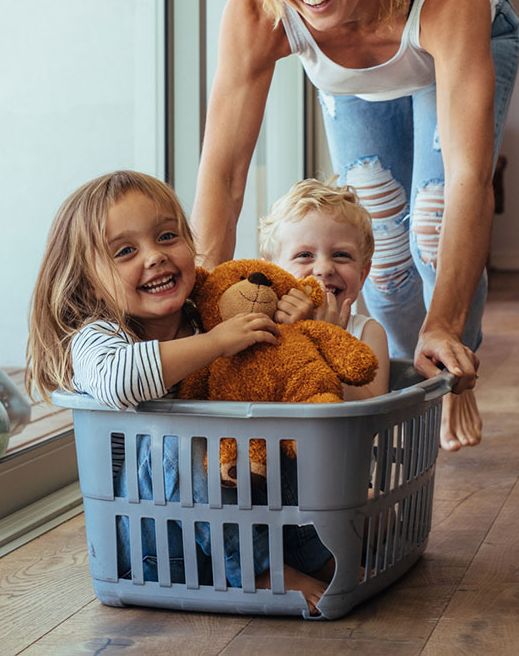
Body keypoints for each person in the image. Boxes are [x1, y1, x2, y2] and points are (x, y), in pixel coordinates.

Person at [191, 0, 519, 451]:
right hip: (360, 82)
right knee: (385, 256)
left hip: (455, 44)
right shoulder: (260, 8)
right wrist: (201, 307)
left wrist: (445, 322)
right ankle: (400, 388)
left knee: (431, 217)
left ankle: (452, 367)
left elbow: (471, 175)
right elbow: (225, 170)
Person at [25, 170, 332, 613]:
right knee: (178, 436)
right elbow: (119, 380)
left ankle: (313, 557)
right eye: (126, 251)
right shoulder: (97, 337)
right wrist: (219, 342)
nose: (155, 257)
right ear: (88, 281)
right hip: (158, 550)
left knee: (276, 434)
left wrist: (291, 324)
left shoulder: (209, 314)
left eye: (167, 236)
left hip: (236, 534)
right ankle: (261, 571)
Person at [257, 178, 390, 401]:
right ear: (272, 273)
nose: (324, 269)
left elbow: (371, 412)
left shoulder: (367, 333)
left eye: (341, 255)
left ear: (362, 275)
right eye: (304, 256)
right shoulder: (260, 326)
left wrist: (326, 341)